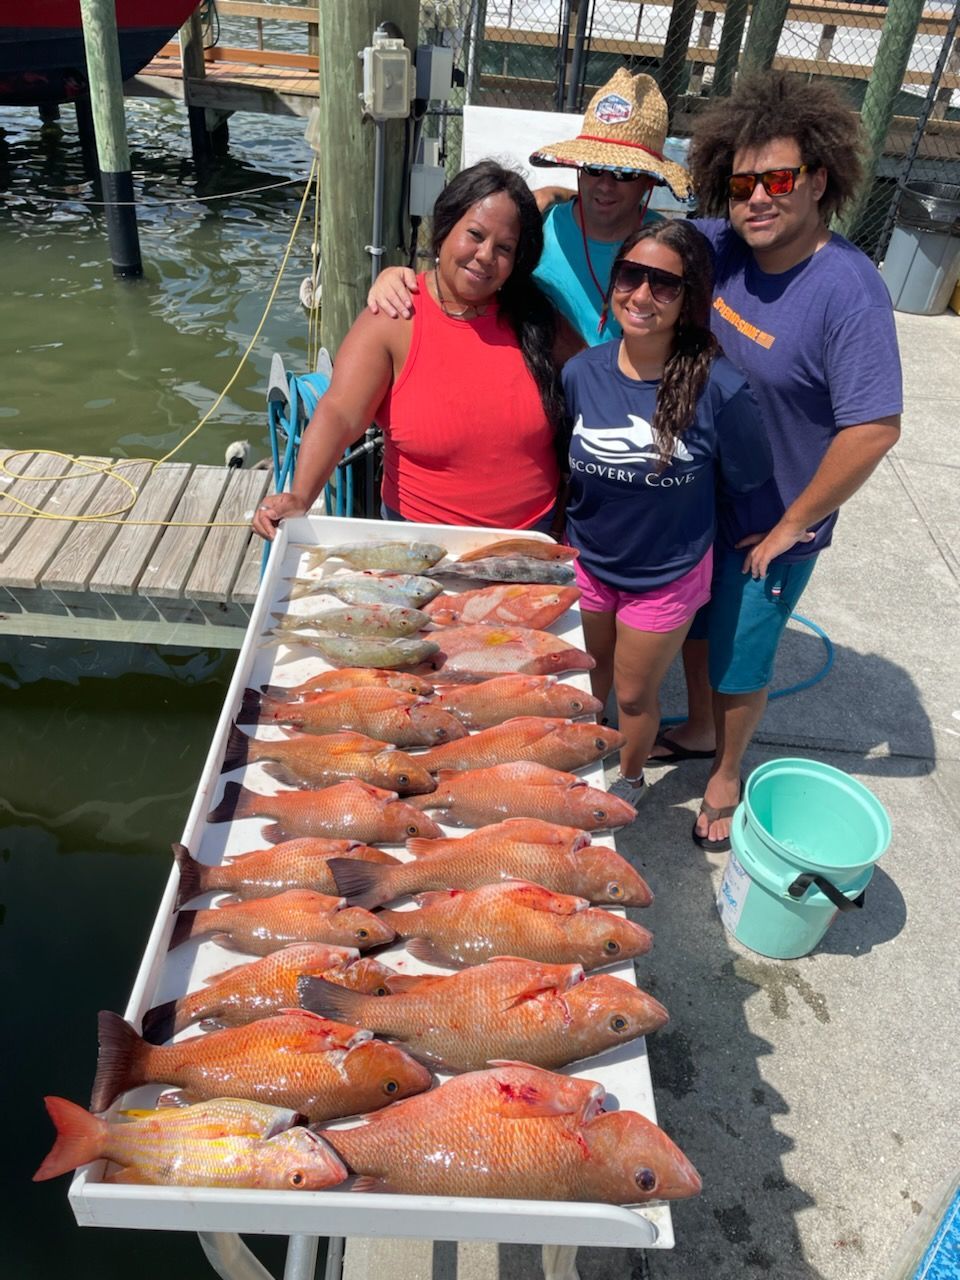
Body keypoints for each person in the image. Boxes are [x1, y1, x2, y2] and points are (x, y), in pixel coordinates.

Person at [645, 71, 903, 852]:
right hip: (702, 495)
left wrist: (796, 524)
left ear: (818, 182)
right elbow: (641, 248)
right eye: (742, 182)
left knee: (741, 655)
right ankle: (693, 729)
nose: (757, 199)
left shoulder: (849, 292)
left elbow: (874, 428)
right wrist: (557, 208)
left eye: (779, 180)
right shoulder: (720, 246)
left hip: (775, 520)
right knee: (693, 624)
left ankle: (725, 773)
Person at [562, 219, 773, 805]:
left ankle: (626, 783)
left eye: (665, 285)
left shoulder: (721, 389)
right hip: (587, 564)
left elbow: (747, 480)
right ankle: (573, 766)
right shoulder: (580, 373)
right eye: (631, 275)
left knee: (633, 696)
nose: (642, 295)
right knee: (585, 682)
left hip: (666, 579)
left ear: (690, 301)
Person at [252, 161, 569, 541]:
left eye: (505, 247)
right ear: (444, 229)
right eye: (474, 234)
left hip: (530, 541)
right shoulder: (395, 315)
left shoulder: (538, 317)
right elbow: (339, 413)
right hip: (418, 544)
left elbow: (600, 375)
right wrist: (300, 496)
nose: (486, 255)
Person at [368, 70, 694, 347]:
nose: (605, 185)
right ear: (579, 168)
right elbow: (466, 276)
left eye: (625, 174)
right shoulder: (535, 224)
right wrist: (398, 279)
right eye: (594, 169)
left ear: (650, 182)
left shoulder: (670, 251)